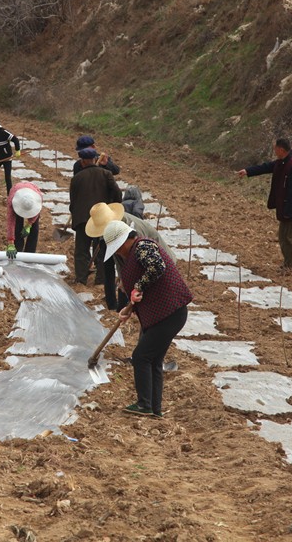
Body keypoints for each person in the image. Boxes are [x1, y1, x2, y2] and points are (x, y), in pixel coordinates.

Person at [103, 220, 192, 417]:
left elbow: (157, 266)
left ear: (123, 241)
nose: (118, 253)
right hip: (166, 314)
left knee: (141, 356)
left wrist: (138, 286)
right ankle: (154, 409)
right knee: (153, 360)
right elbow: (145, 289)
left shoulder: (142, 246)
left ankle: (144, 404)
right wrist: (130, 309)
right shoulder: (134, 253)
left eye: (117, 248)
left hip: (170, 314)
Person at [86, 202, 177, 310]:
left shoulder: (133, 232)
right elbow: (119, 259)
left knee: (155, 297)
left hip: (160, 262)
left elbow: (149, 264)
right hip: (151, 266)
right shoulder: (114, 234)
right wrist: (123, 279)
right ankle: (122, 307)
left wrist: (134, 287)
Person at [236, 137, 292, 273]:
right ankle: (289, 263)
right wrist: (248, 171)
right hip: (287, 208)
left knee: (289, 237)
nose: (274, 151)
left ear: (281, 150)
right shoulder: (283, 161)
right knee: (283, 236)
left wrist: (289, 211)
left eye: (275, 148)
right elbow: (267, 167)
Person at [69, 147, 122, 284]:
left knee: (81, 250)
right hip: (103, 218)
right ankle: (101, 280)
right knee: (102, 249)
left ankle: (81, 279)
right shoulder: (106, 174)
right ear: (94, 159)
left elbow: (73, 202)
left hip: (82, 219)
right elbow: (117, 193)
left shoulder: (77, 178)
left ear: (82, 161)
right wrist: (113, 208)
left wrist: (75, 214)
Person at [6, 182, 43, 258]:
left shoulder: (38, 197)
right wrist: (11, 242)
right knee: (17, 225)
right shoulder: (12, 201)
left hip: (32, 192)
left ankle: (30, 253)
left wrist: (29, 224)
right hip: (17, 193)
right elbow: (11, 222)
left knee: (34, 227)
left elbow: (37, 212)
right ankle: (18, 249)